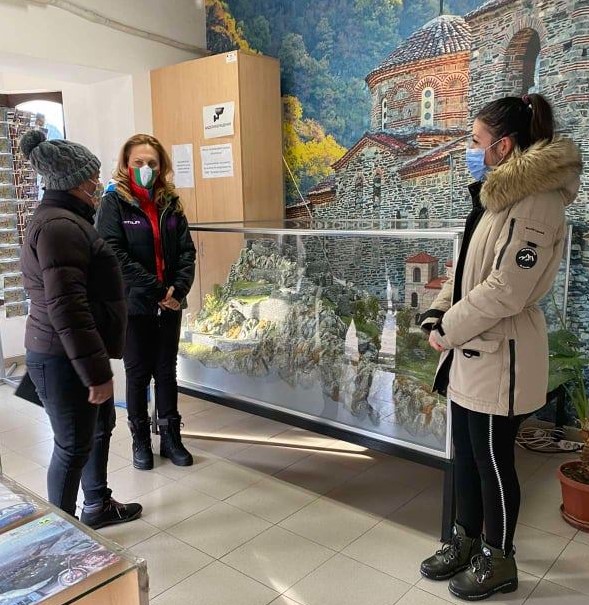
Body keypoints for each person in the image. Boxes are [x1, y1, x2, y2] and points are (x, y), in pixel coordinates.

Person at [418, 94, 582, 601]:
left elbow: (506, 288)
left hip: (500, 352)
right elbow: (466, 267)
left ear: (504, 146)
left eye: (476, 141)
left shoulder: (537, 202)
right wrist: (436, 311)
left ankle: (499, 557)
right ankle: (465, 540)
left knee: (492, 461)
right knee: (465, 456)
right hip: (470, 347)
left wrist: (448, 328)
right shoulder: (496, 198)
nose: (471, 150)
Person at [19, 130, 142, 529]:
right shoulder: (60, 227)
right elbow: (68, 309)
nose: (98, 182)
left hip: (72, 353)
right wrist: (96, 373)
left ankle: (97, 504)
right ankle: (63, 533)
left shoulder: (66, 219)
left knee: (98, 430)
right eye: (92, 176)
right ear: (75, 180)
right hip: (63, 357)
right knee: (72, 445)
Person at [96, 134, 196, 470]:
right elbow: (114, 254)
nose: (145, 169)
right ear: (126, 164)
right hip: (134, 304)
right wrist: (157, 290)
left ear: (161, 166)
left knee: (167, 372)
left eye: (152, 163)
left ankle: (170, 437)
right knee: (138, 374)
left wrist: (178, 291)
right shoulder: (113, 203)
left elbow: (187, 251)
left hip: (170, 304)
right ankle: (140, 440)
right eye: (138, 162)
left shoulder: (171, 202)